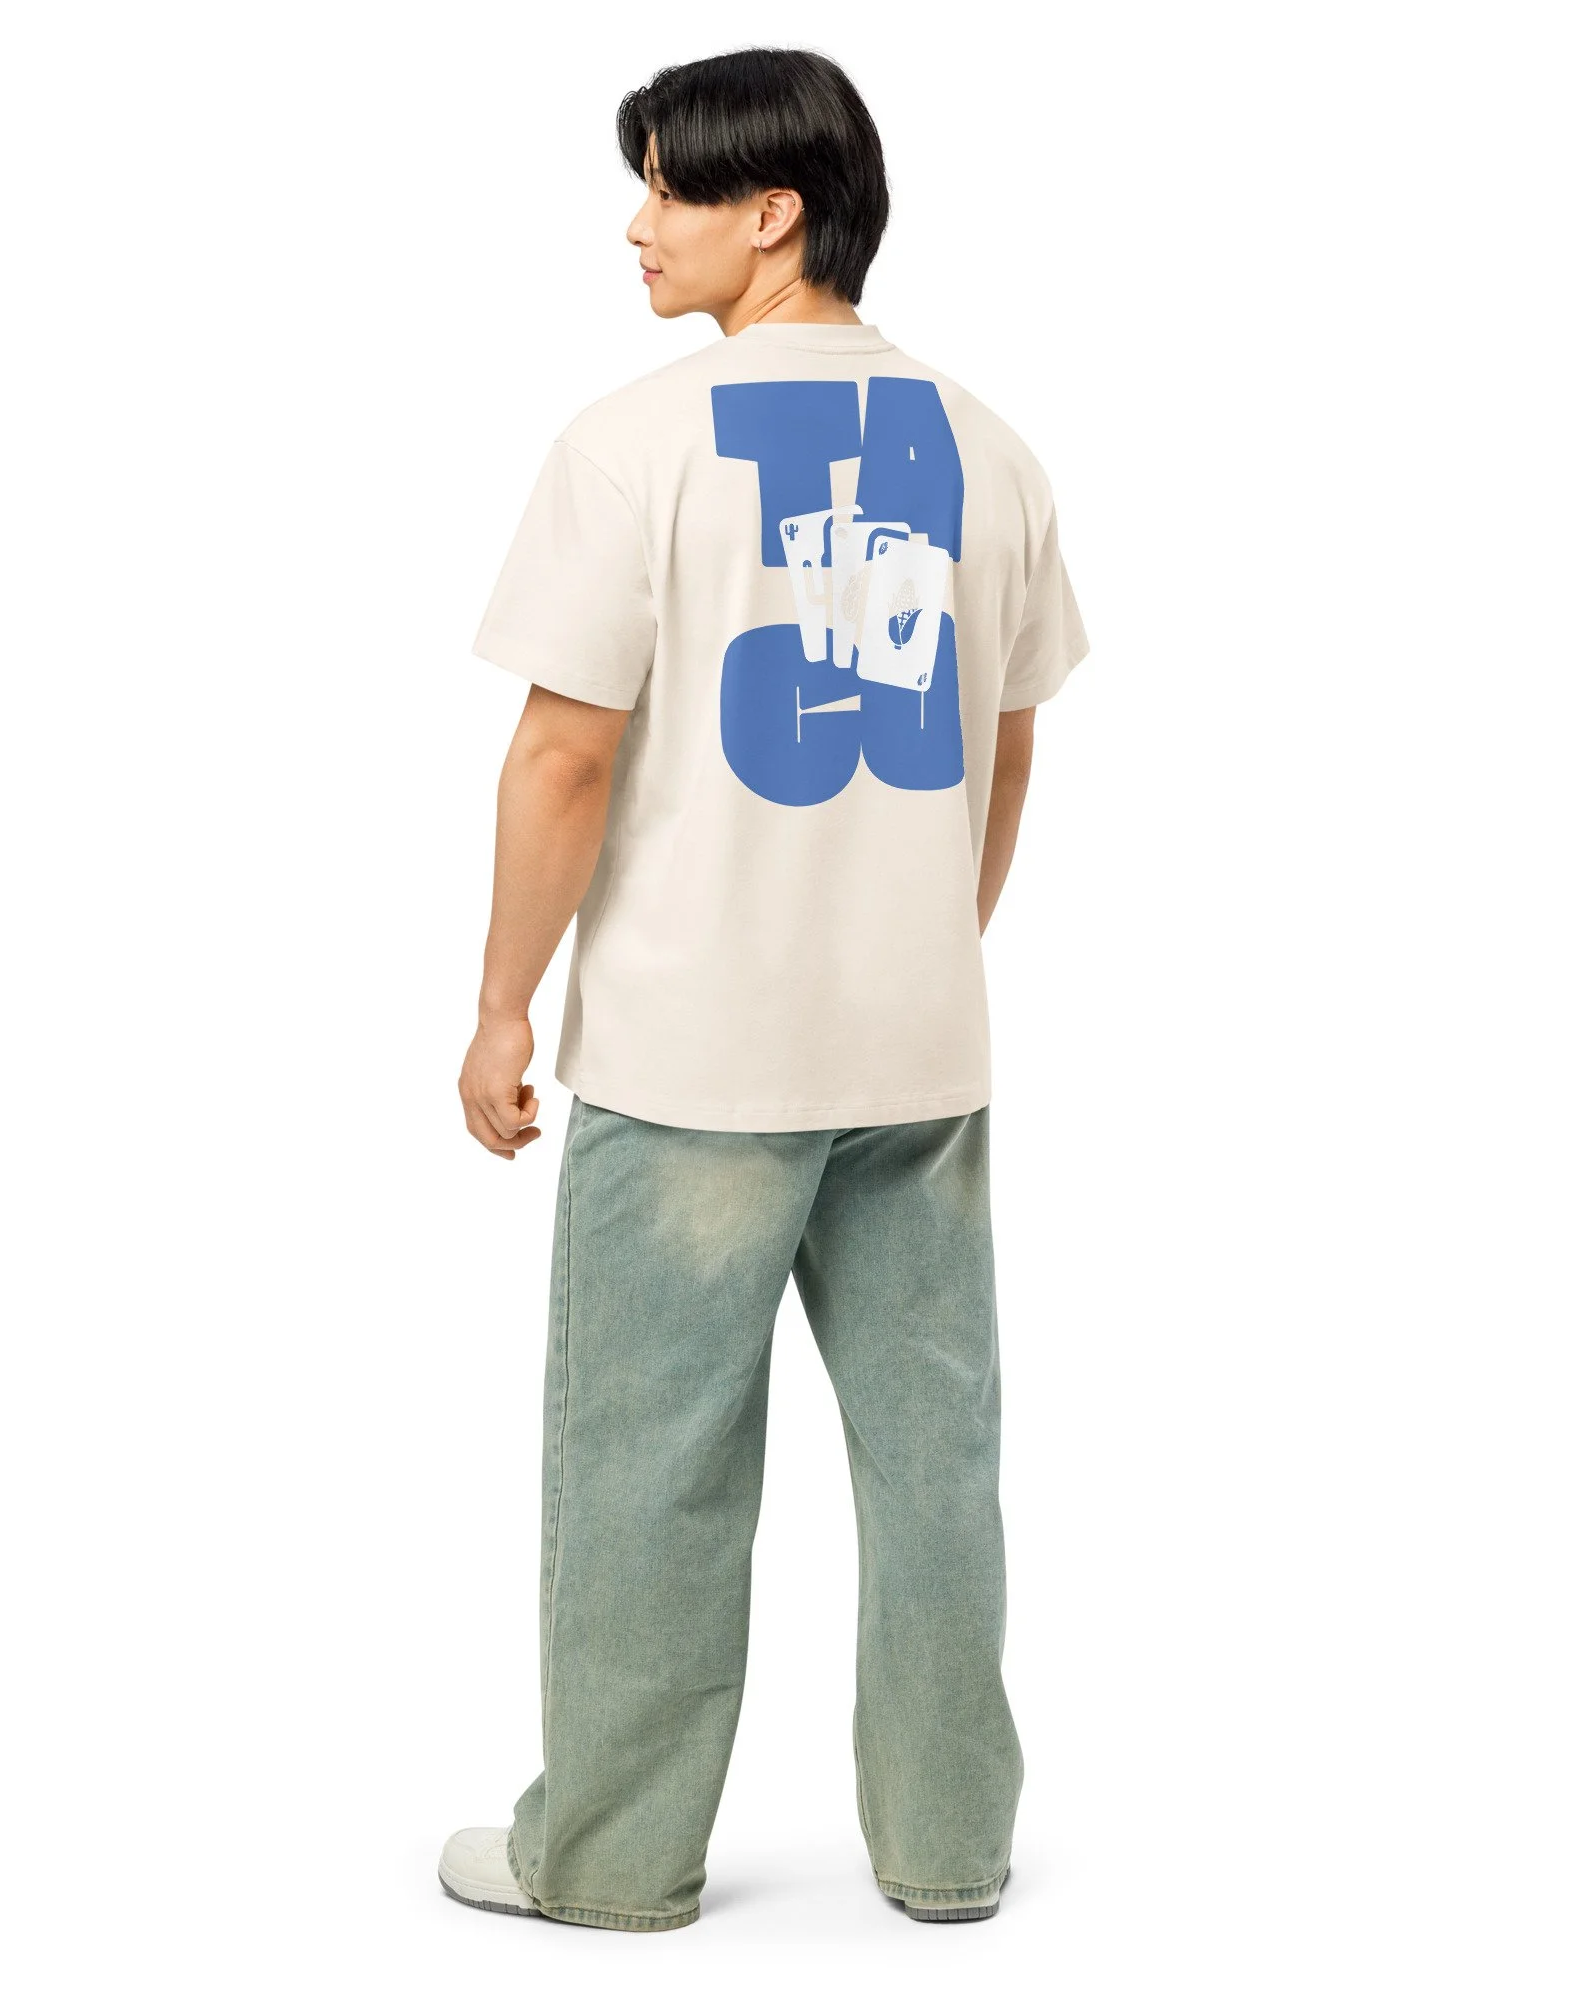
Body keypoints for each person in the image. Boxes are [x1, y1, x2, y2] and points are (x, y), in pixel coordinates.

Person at [441, 47, 1090, 1933]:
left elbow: (564, 752)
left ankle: (611, 1859)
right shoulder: (990, 447)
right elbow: (1008, 746)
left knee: (649, 1470)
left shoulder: (635, 444)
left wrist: (501, 1005)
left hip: (693, 1058)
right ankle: (951, 1848)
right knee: (936, 1460)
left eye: (668, 188)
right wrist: (923, 942)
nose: (637, 226)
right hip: (919, 1054)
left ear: (774, 211)